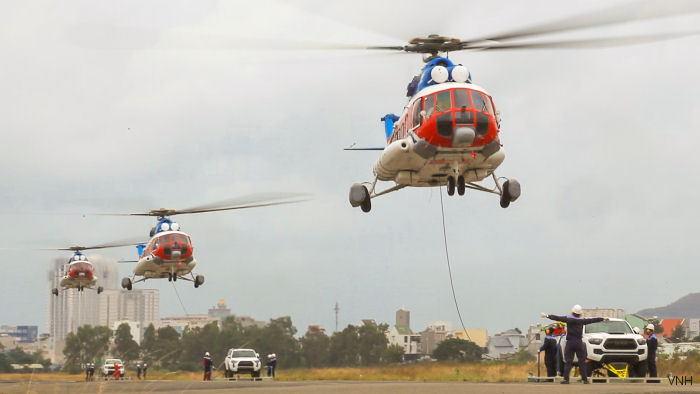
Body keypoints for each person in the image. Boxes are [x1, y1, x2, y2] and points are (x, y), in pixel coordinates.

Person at [541, 304, 607, 384]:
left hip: (570, 343)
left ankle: (566, 379)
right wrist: (602, 318)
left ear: (572, 311)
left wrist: (547, 315)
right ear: (580, 313)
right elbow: (593, 320)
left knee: (568, 361)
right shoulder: (582, 320)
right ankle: (585, 380)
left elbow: (558, 318)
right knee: (582, 362)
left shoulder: (568, 319)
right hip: (579, 343)